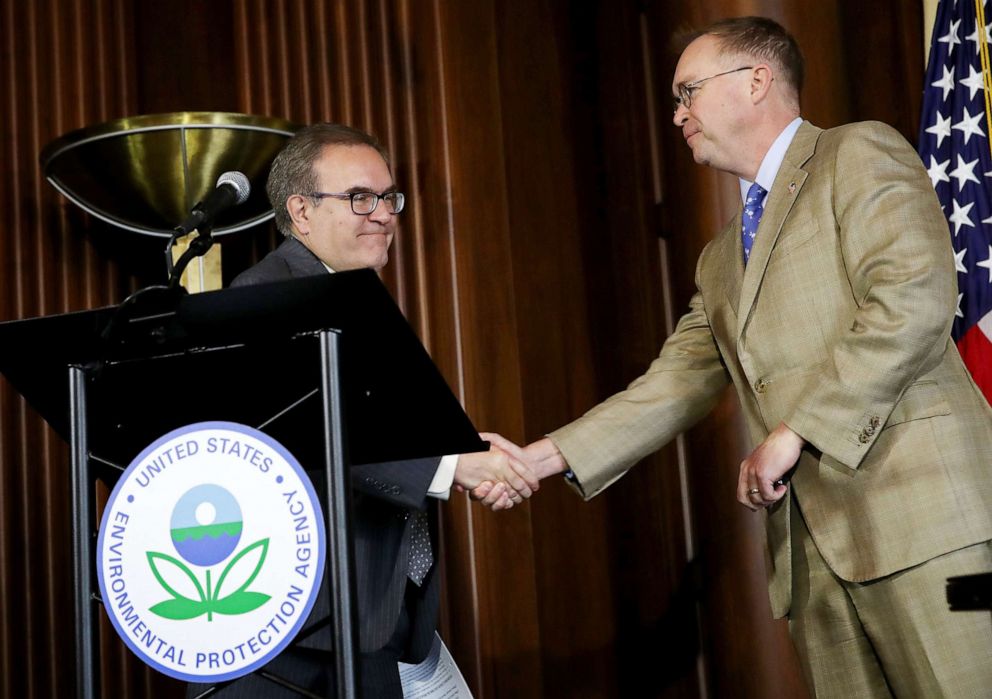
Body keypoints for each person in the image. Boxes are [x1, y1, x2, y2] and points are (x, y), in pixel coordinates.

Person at [483, 16, 992, 698]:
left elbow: (914, 298)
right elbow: (672, 383)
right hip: (813, 564)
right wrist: (536, 459)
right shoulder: (720, 256)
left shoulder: (857, 153)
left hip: (925, 528)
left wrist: (795, 431)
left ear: (756, 81)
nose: (676, 114)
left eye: (687, 91)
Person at [201, 123, 536, 698]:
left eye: (388, 197)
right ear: (301, 211)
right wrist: (451, 466)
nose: (382, 212)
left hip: (368, 621)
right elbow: (306, 429)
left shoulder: (352, 296)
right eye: (360, 197)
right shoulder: (265, 296)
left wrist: (463, 451)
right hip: (298, 632)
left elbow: (376, 422)